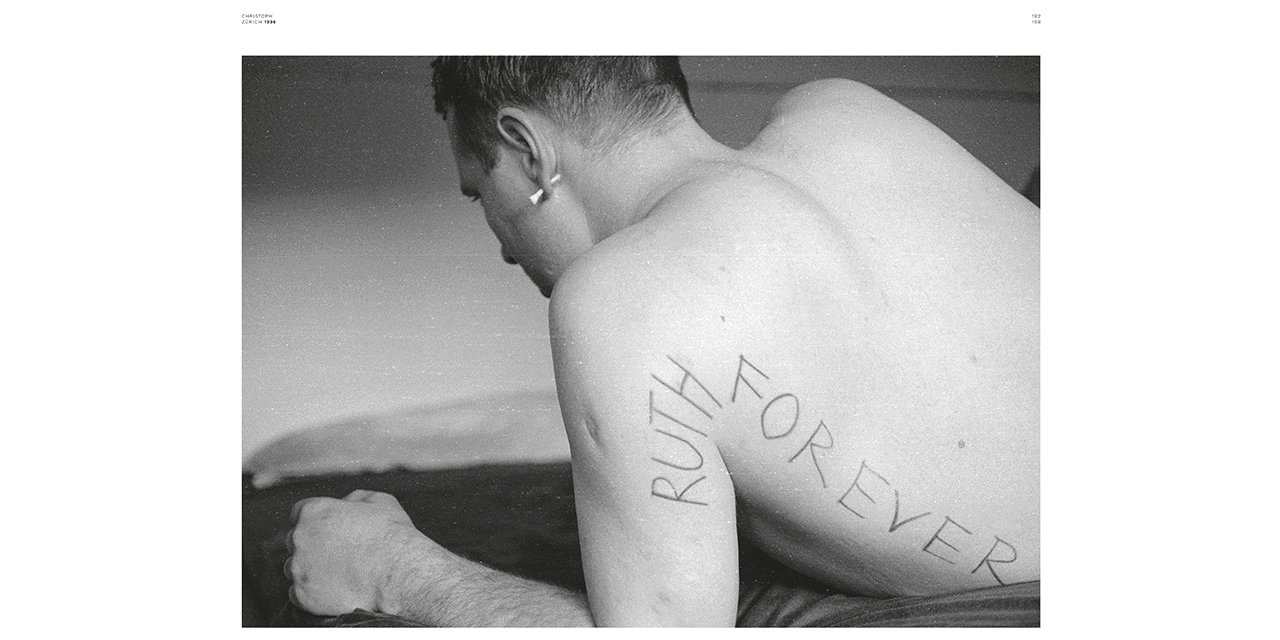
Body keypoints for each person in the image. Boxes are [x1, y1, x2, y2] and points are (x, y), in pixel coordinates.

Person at [283, 56, 1040, 627]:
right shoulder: (844, 109)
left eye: (481, 191)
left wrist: (392, 570)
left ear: (527, 147)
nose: (504, 248)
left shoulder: (619, 301)